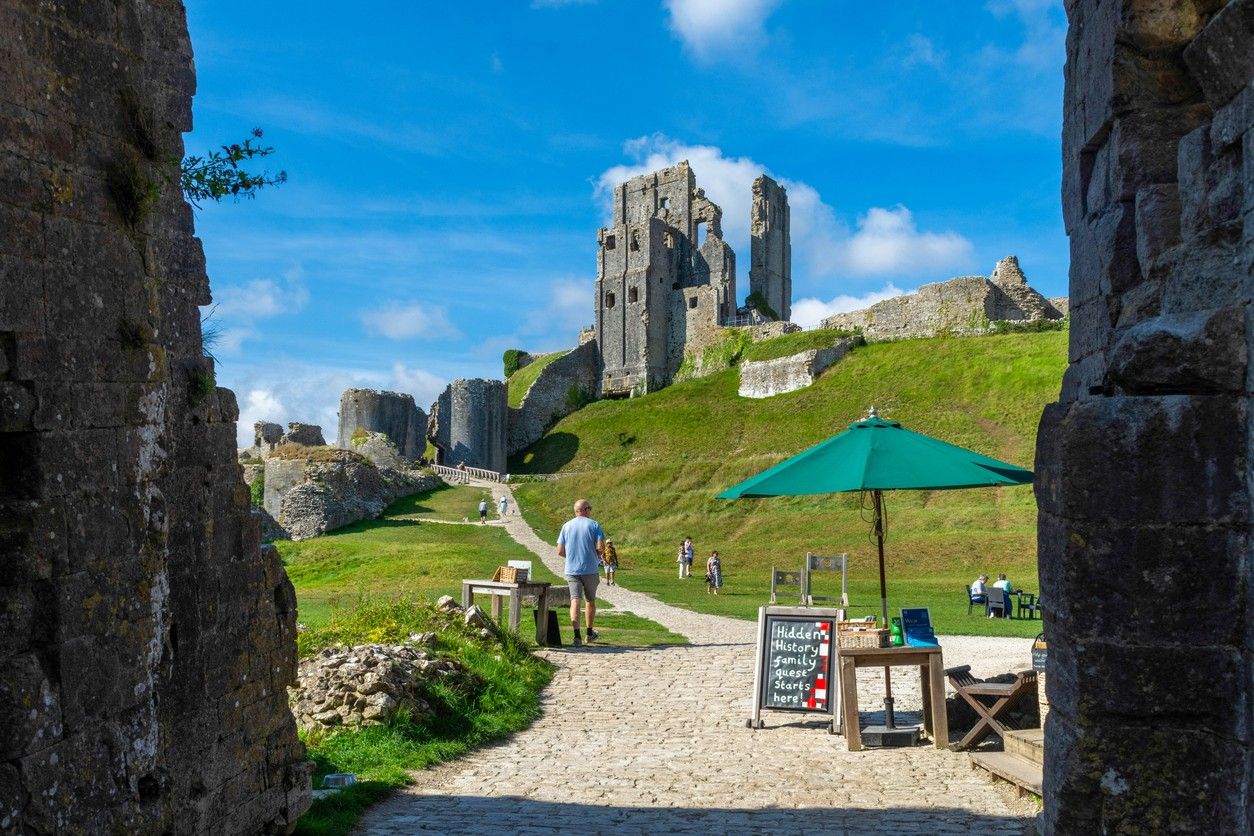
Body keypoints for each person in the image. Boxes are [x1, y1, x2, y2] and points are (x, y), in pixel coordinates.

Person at [556, 499, 605, 647]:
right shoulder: (594, 525)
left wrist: (571, 556)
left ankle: (576, 636)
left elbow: (559, 551)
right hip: (590, 569)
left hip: (572, 569)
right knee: (590, 600)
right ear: (584, 509)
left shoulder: (566, 526)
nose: (590, 511)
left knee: (575, 600)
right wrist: (595, 555)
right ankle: (589, 634)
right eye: (589, 508)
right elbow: (601, 547)